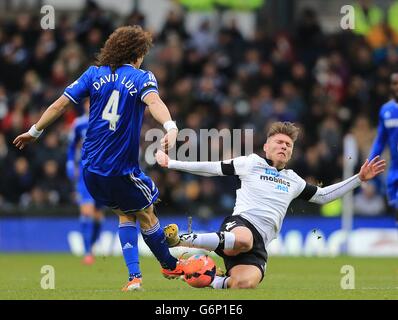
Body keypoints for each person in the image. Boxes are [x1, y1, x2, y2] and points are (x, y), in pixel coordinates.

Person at [13, 25, 201, 291]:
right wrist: (170, 126)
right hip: (120, 169)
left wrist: (34, 131)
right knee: (147, 212)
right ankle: (169, 264)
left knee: (125, 214)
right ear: (137, 54)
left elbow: (59, 104)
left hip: (91, 169)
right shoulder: (140, 78)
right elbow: (155, 102)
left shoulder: (93, 74)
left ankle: (135, 278)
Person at [156, 121, 386, 289]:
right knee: (244, 238)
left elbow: (324, 196)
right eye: (279, 142)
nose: (285, 146)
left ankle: (196, 272)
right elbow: (213, 168)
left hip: (260, 243)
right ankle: (182, 239)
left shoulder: (293, 180)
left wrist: (359, 179)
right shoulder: (250, 163)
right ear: (266, 147)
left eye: (289, 145)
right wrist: (171, 163)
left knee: (243, 284)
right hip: (241, 225)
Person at [66, 100, 104, 265]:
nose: (90, 106)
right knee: (87, 211)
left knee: (98, 216)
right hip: (85, 171)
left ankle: (92, 246)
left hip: (104, 172)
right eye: (88, 103)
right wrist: (69, 163)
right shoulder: (79, 123)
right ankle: (88, 252)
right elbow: (71, 145)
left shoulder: (106, 121)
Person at [369, 72, 398, 225]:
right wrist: (370, 161)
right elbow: (381, 140)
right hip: (395, 170)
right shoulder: (386, 111)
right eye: (394, 83)